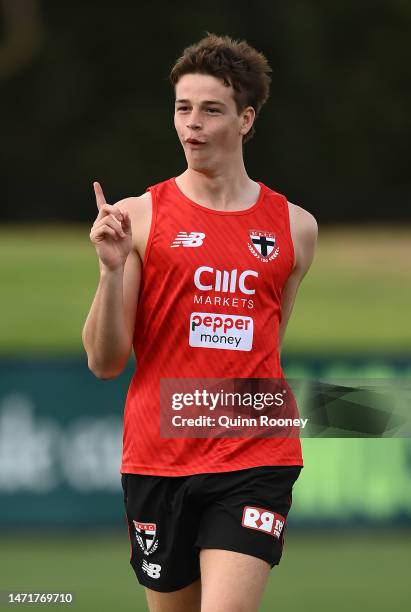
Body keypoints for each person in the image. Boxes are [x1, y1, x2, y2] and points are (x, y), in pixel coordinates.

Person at [82, 33, 317, 612]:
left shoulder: (295, 227)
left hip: (256, 459)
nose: (193, 123)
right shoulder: (138, 217)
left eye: (211, 109)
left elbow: (266, 350)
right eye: (183, 108)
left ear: (246, 119)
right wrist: (111, 273)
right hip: (156, 458)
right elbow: (105, 362)